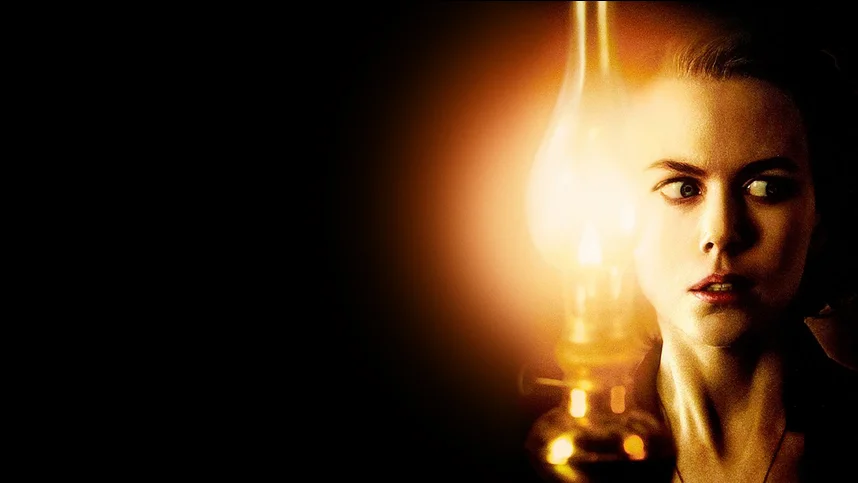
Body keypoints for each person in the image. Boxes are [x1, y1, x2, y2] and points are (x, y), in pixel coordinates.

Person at [620, 4, 858, 482]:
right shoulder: (552, 449)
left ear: (818, 215)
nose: (723, 232)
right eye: (682, 188)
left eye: (766, 188)